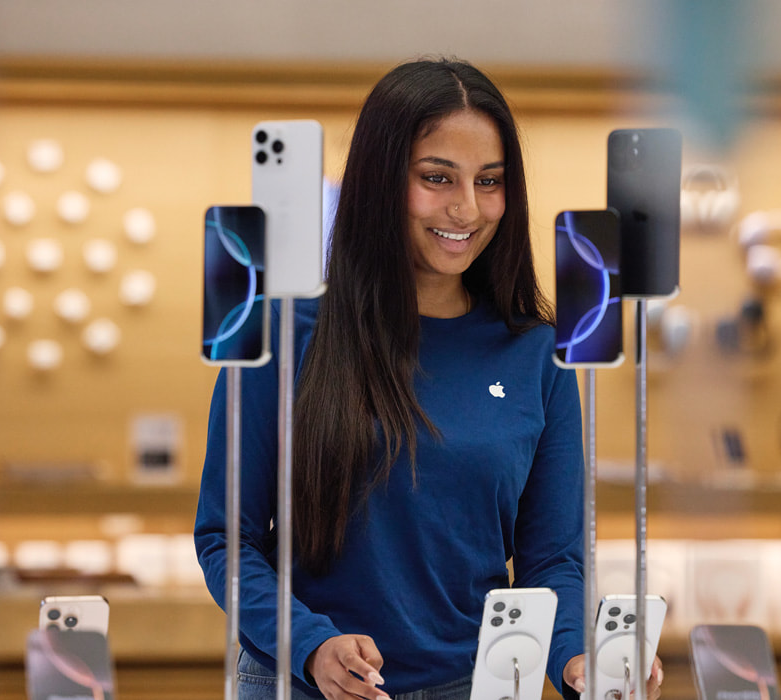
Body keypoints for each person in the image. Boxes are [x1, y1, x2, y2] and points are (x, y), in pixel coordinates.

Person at [195, 57, 663, 700]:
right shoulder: (282, 334)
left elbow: (552, 557)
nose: (467, 208)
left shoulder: (538, 353)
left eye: (490, 180)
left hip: (479, 685)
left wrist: (575, 656)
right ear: (379, 181)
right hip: (302, 684)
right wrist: (308, 644)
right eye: (437, 177)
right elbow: (227, 539)